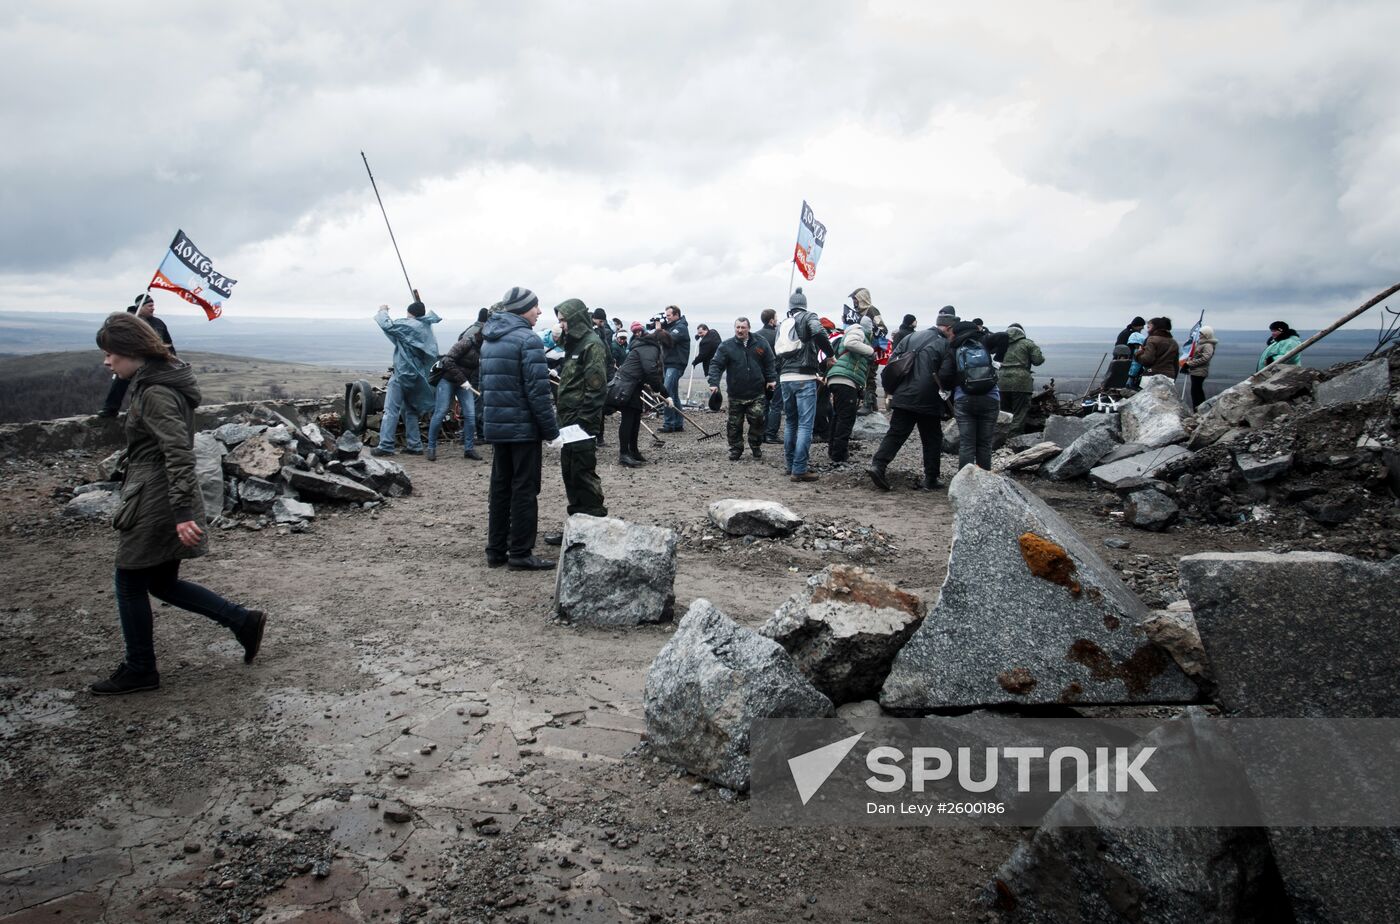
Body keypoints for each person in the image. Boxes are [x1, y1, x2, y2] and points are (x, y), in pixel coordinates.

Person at [89, 313, 265, 695]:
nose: (106, 361)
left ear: (133, 350)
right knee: (162, 582)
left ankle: (140, 669)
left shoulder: (154, 392)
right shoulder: (154, 381)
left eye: (111, 353)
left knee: (129, 581)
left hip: (157, 496)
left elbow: (178, 453)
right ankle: (242, 621)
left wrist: (182, 513)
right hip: (158, 491)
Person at [480, 287, 560, 571]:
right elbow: (538, 393)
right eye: (536, 307)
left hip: (498, 427)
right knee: (525, 488)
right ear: (523, 308)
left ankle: (496, 550)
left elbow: (486, 385)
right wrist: (552, 432)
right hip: (523, 430)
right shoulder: (528, 340)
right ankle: (520, 553)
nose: (539, 312)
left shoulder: (490, 338)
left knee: (500, 487)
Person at [542, 299, 609, 545]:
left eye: (564, 320)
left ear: (577, 319)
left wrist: (584, 422)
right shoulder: (574, 344)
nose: (561, 324)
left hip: (580, 423)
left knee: (582, 473)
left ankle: (594, 525)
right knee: (570, 472)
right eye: (559, 320)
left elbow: (596, 388)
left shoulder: (592, 345)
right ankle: (578, 526)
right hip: (568, 421)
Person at [867, 322, 949, 491]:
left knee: (896, 433)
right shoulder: (944, 344)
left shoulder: (911, 337)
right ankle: (931, 478)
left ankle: (878, 465)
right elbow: (947, 373)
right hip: (929, 396)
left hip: (903, 394)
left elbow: (892, 363)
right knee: (932, 438)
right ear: (948, 328)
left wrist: (893, 389)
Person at [776, 287, 833, 482]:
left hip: (785, 378)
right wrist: (830, 354)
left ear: (790, 307)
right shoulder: (809, 317)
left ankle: (790, 464)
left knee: (791, 422)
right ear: (804, 305)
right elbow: (819, 332)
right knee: (805, 425)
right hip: (804, 376)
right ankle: (799, 469)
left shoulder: (783, 324)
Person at [371, 299, 440, 456]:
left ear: (411, 313)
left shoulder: (411, 325)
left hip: (402, 373)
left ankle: (386, 445)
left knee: (391, 409)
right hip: (417, 376)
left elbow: (388, 325)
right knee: (409, 410)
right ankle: (414, 445)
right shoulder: (427, 328)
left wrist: (383, 310)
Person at [708, 317, 777, 461]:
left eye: (743, 328)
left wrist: (771, 379)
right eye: (737, 327)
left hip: (757, 391)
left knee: (758, 420)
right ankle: (736, 448)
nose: (740, 330)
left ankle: (755, 445)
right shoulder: (726, 346)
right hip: (736, 393)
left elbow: (770, 361)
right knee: (734, 424)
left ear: (748, 328)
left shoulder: (761, 342)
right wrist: (714, 383)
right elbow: (716, 365)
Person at [98, 294, 177, 417]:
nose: (153, 308)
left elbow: (167, 343)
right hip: (132, 359)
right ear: (140, 306)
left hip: (154, 362)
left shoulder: (158, 323)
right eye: (150, 306)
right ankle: (110, 409)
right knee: (121, 381)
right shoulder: (128, 322)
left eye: (153, 306)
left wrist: (172, 358)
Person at [940, 320, 999, 471]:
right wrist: (1000, 360)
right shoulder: (984, 342)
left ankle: (964, 485)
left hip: (964, 398)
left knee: (967, 443)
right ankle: (983, 482)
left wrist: (953, 385)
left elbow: (945, 376)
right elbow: (1004, 336)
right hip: (990, 397)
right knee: (985, 444)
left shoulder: (954, 348)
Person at [608, 327, 668, 466]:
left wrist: (666, 395)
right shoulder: (650, 349)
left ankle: (633, 451)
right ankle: (624, 454)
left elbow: (649, 373)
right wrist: (657, 389)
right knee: (628, 420)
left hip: (632, 386)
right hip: (627, 387)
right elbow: (650, 371)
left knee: (635, 419)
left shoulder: (646, 346)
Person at [427, 326, 482, 462]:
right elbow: (448, 360)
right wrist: (462, 380)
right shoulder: (466, 342)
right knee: (441, 412)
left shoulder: (484, 348)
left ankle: (469, 449)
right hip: (447, 381)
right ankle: (431, 448)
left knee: (470, 414)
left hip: (465, 383)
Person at [827, 317, 875, 463]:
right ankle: (839, 456)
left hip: (837, 379)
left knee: (838, 416)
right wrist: (870, 351)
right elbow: (850, 343)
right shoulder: (859, 331)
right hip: (845, 380)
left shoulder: (852, 331)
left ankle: (833, 450)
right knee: (846, 418)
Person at [997, 323, 1045, 436]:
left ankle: (1002, 437)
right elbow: (1038, 360)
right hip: (1021, 382)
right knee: (1020, 412)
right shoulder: (1027, 343)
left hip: (1002, 381)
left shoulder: (1001, 344)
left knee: (1005, 412)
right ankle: (1014, 438)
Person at [849, 287, 885, 415]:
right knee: (862, 375)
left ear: (861, 298)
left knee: (869, 376)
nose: (854, 302)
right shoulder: (857, 312)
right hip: (861, 350)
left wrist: (870, 332)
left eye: (855, 299)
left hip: (871, 350)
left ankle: (868, 404)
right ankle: (872, 402)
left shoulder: (872, 311)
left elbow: (882, 329)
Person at [657, 305, 690, 432]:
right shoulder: (672, 327)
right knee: (674, 395)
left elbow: (669, 339)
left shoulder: (681, 328)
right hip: (669, 364)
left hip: (675, 364)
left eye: (669, 316)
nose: (667, 318)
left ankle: (669, 424)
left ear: (676, 315)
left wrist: (660, 330)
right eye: (665, 316)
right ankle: (677, 423)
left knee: (666, 393)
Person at [757, 308, 783, 443]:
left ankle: (761, 433)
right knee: (776, 404)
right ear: (772, 320)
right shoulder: (779, 335)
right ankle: (771, 434)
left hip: (761, 374)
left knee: (764, 403)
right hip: (776, 373)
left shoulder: (756, 336)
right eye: (776, 318)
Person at [1184, 326, 1217, 410]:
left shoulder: (1207, 345)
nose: (1199, 335)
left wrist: (1190, 364)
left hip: (1200, 371)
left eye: (1201, 333)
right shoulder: (1203, 344)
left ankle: (1199, 409)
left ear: (1206, 335)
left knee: (1196, 391)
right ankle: (1199, 409)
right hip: (1196, 370)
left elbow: (1205, 358)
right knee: (1196, 391)